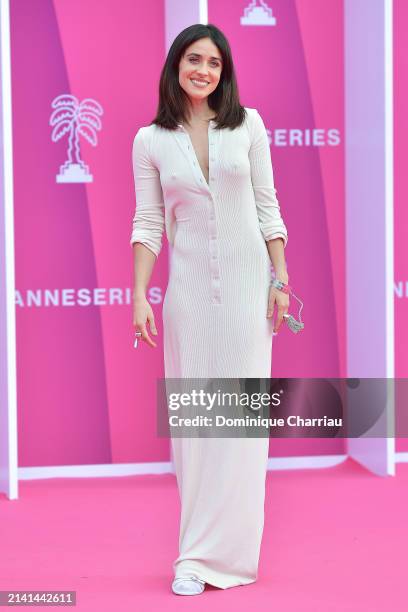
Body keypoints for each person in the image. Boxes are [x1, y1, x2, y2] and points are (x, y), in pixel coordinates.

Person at [130, 23, 289, 596]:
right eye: (194, 60)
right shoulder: (149, 140)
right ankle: (193, 557)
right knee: (197, 426)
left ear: (225, 74)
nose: (204, 71)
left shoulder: (248, 125)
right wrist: (139, 296)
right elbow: (148, 225)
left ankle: (234, 556)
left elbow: (267, 205)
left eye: (215, 64)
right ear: (176, 65)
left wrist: (281, 278)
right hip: (188, 297)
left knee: (240, 426)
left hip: (249, 291)